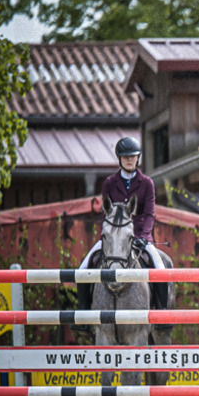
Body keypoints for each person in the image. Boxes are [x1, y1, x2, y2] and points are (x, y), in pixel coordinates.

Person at [76, 137, 169, 323]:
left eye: (133, 157)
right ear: (119, 158)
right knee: (83, 267)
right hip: (113, 237)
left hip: (140, 237)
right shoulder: (109, 183)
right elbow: (106, 213)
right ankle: (83, 316)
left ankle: (162, 315)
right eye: (125, 157)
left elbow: (150, 213)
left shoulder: (147, 183)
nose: (129, 160)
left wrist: (143, 237)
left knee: (160, 267)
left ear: (138, 158)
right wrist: (108, 236)